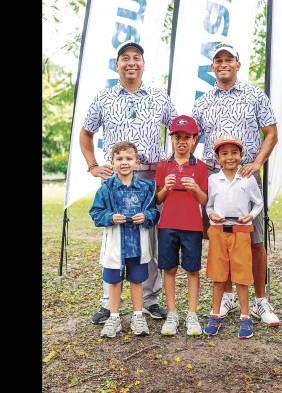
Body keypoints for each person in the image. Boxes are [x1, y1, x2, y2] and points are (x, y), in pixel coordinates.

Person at [80, 41, 177, 324]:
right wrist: (93, 165)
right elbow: (86, 133)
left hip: (149, 177)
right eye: (125, 58)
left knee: (149, 237)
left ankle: (149, 300)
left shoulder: (159, 96)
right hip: (115, 179)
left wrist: (172, 162)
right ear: (117, 64)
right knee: (114, 236)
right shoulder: (104, 97)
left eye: (137, 58)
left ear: (143, 65)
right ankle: (107, 302)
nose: (131, 63)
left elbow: (179, 129)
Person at [192, 42, 280, 327]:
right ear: (212, 67)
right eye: (218, 60)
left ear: (238, 64)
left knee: (253, 241)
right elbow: (190, 138)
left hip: (245, 178)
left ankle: (260, 300)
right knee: (221, 240)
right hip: (214, 178)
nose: (223, 64)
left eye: (228, 59)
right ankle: (228, 295)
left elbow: (271, 133)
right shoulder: (203, 101)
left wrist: (257, 164)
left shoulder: (254, 95)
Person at [89, 141, 160, 337]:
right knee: (113, 281)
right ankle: (114, 317)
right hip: (115, 244)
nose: (124, 162)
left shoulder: (146, 187)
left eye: (128, 158)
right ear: (112, 162)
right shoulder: (107, 188)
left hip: (137, 244)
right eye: (119, 159)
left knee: (137, 280)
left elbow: (154, 212)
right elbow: (95, 213)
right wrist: (110, 217)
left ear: (136, 162)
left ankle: (138, 316)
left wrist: (146, 216)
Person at [203, 135, 263, 339]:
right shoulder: (213, 180)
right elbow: (209, 205)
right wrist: (211, 214)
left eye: (234, 153)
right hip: (219, 231)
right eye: (224, 154)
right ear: (218, 158)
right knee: (218, 275)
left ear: (241, 155)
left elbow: (258, 203)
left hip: (241, 231)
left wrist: (251, 216)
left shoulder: (248, 178)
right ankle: (215, 314)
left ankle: (245, 317)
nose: (230, 157)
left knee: (242, 275)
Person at [154, 115, 208, 336]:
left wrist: (195, 188)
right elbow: (158, 200)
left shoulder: (201, 167)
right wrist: (165, 188)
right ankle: (173, 313)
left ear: (194, 139)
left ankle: (192, 314)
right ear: (172, 139)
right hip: (167, 225)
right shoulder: (163, 166)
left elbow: (205, 201)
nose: (182, 141)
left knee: (193, 270)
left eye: (187, 137)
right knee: (169, 269)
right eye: (178, 137)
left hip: (193, 226)